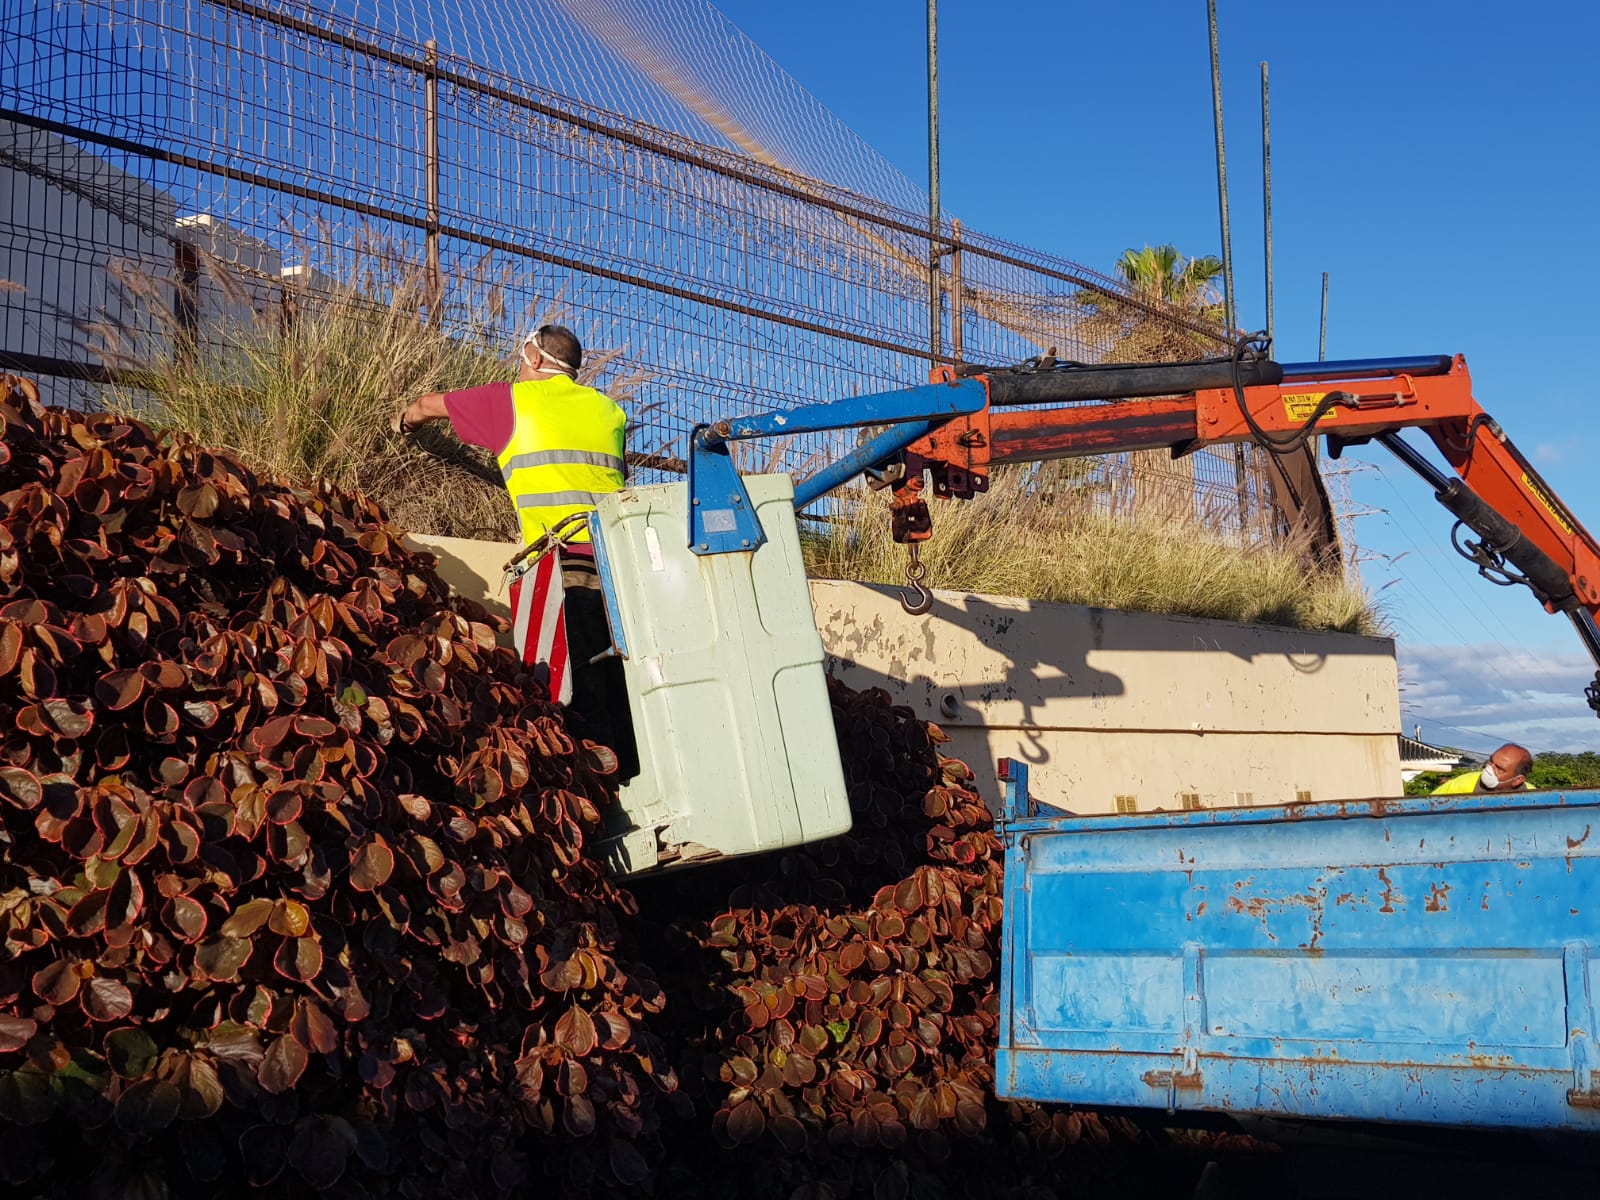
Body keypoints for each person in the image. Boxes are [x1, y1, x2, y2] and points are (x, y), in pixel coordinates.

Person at [394, 324, 637, 775]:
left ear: (538, 360)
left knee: (572, 693)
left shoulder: (510, 400)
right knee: (623, 688)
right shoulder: (610, 411)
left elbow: (428, 406)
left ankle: (599, 797)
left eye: (522, 356)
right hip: (622, 565)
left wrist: (402, 421)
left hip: (563, 568)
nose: (518, 365)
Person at [1430, 743, 1533, 794]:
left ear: (1517, 780)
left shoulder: (1534, 796)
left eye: (1499, 769)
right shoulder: (1461, 785)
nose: (1489, 768)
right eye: (1491, 761)